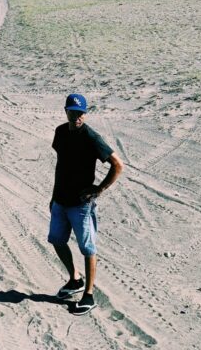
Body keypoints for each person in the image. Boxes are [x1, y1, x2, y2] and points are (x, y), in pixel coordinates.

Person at [48, 93, 123, 315]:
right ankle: (75, 279)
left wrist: (98, 189)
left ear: (85, 114)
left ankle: (88, 295)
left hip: (81, 205)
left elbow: (117, 165)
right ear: (66, 111)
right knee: (56, 240)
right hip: (60, 200)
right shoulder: (60, 132)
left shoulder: (91, 137)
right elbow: (61, 166)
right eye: (73, 112)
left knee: (87, 248)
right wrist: (53, 197)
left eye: (81, 113)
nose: (77, 116)